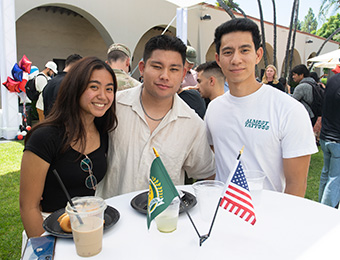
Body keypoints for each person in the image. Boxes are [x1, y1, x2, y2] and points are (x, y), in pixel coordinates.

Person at [205, 18, 317, 197]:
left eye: (244, 50)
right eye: (228, 52)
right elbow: (216, 159)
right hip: (222, 216)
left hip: (269, 219)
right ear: (218, 59)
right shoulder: (214, 108)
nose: (236, 59)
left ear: (258, 55)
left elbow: (296, 184)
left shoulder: (289, 110)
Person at [96, 35, 215, 199]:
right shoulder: (114, 106)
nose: (165, 76)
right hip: (113, 217)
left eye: (174, 69)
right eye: (157, 66)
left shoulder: (192, 124)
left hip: (163, 221)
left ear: (183, 74)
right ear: (142, 68)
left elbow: (207, 173)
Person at [20, 57, 118, 238]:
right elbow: (28, 207)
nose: (103, 96)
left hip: (88, 226)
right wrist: (46, 250)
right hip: (48, 228)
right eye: (94, 87)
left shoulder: (103, 132)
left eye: (109, 89)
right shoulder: (45, 137)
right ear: (75, 88)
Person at [318, 73, 340, 208]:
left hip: (325, 136)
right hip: (337, 139)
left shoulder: (332, 80)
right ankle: (327, 211)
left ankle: (321, 206)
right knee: (335, 178)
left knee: (326, 174)